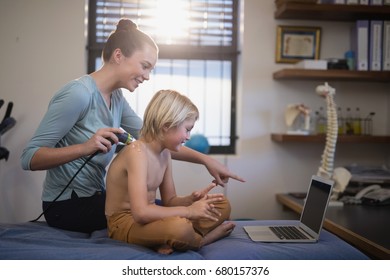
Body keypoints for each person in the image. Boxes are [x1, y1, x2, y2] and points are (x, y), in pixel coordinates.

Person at [21, 18, 244, 233]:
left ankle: (194, 232)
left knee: (191, 211)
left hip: (98, 197)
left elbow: (157, 138)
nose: (147, 76)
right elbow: (29, 158)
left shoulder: (116, 99)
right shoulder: (78, 94)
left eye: (151, 70)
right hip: (66, 207)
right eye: (145, 66)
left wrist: (206, 160)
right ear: (118, 55)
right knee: (170, 216)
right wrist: (85, 147)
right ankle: (198, 236)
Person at [105, 89, 235, 254]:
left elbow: (170, 201)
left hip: (150, 219)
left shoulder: (164, 153)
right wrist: (189, 211)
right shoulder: (136, 152)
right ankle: (201, 240)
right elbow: (140, 213)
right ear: (166, 126)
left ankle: (167, 239)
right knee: (179, 227)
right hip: (125, 224)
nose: (188, 136)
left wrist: (190, 201)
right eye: (187, 129)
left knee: (222, 204)